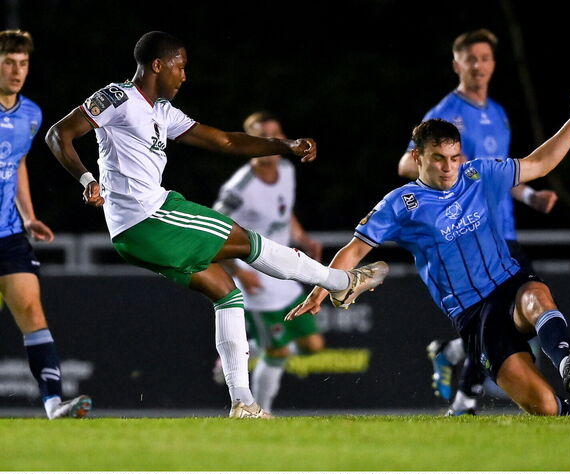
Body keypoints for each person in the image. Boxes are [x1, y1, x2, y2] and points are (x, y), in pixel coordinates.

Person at [45, 31, 387, 419]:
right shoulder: (118, 98)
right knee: (250, 243)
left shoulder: (162, 111)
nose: (184, 76)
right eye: (180, 66)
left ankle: (243, 401)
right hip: (150, 217)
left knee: (228, 294)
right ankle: (342, 283)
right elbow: (59, 134)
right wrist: (86, 179)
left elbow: (224, 141)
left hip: (136, 231)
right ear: (157, 65)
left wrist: (284, 146)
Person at [288, 80, 570, 416]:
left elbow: (540, 163)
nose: (449, 167)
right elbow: (355, 250)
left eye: (454, 157)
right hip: (472, 314)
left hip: (509, 285)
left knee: (535, 295)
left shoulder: (479, 173)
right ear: (417, 157)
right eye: (438, 158)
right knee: (544, 407)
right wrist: (323, 288)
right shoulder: (401, 204)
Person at [397, 28, 559, 415]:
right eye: (472, 59)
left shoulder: (498, 114)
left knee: (510, 313)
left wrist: (530, 195)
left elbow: (496, 175)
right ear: (458, 65)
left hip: (503, 231)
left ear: (493, 64)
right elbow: (407, 164)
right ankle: (465, 394)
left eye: (486, 58)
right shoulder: (446, 114)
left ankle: (456, 365)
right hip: (469, 234)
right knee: (509, 312)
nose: (479, 66)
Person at [0, 29, 91, 419]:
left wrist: (29, 215)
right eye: (8, 62)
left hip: (8, 234)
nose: (16, 70)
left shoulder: (31, 114)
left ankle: (54, 403)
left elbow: (17, 162)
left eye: (22, 63)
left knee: (32, 312)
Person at [212, 111, 325, 415]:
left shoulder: (287, 169)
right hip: (256, 276)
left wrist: (302, 237)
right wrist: (238, 273)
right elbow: (214, 233)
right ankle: (261, 411)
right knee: (280, 350)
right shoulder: (239, 189)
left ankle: (251, 344)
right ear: (251, 143)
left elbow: (283, 211)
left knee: (313, 345)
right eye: (264, 137)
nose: (273, 142)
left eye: (276, 134)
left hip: (284, 270)